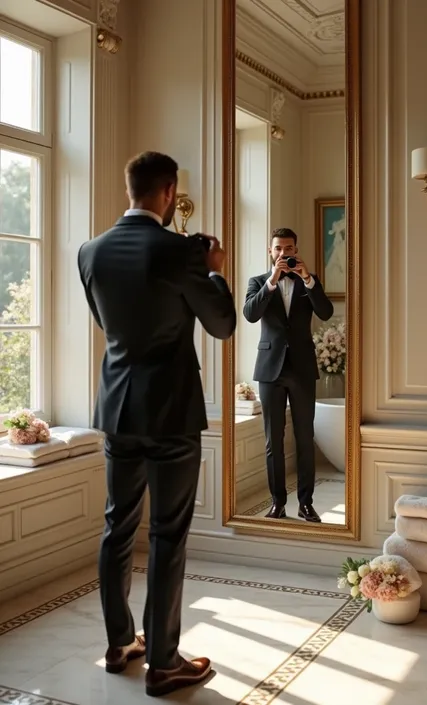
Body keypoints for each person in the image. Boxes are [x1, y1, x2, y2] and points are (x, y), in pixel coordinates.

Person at [77, 151, 236, 698]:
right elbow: (221, 325)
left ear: (131, 190)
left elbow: (107, 323)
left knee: (117, 526)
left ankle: (120, 643)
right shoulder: (182, 252)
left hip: (117, 409)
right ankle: (164, 663)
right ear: (169, 192)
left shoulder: (90, 252)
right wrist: (215, 272)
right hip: (170, 414)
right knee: (167, 535)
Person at [243, 228, 333, 522]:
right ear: (271, 251)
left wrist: (308, 279)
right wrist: (271, 282)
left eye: (289, 248)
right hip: (270, 369)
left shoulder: (308, 281)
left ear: (296, 249)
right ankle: (277, 502)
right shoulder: (258, 282)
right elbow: (250, 314)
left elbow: (326, 311)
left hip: (302, 368)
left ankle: (306, 503)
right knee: (274, 440)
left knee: (305, 437)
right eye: (279, 248)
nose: (284, 253)